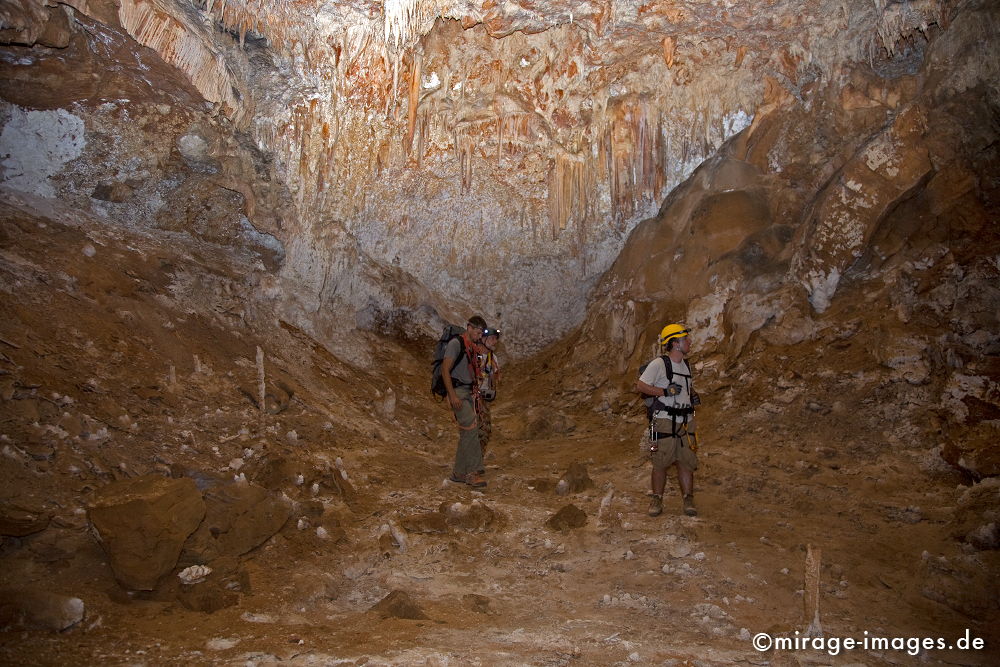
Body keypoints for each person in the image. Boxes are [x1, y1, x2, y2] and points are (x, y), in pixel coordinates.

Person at [635, 323, 700, 517]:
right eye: (685, 339)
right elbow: (641, 385)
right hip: (664, 420)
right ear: (675, 343)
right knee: (660, 462)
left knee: (686, 462)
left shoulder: (686, 366)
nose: (689, 342)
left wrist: (692, 395)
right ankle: (656, 499)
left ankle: (688, 499)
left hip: (686, 422)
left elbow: (684, 388)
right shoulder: (659, 364)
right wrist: (664, 391)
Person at [442, 316, 488, 488]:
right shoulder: (456, 344)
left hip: (468, 392)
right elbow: (445, 370)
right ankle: (474, 472)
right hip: (458, 391)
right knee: (471, 426)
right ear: (469, 327)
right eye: (477, 332)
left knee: (467, 431)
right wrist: (452, 395)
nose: (478, 336)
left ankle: (459, 473)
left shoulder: (472, 347)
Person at [476, 328, 501, 467]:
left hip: (484, 397)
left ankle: (477, 460)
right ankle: (471, 462)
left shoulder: (493, 358)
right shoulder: (473, 354)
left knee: (485, 430)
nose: (494, 341)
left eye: (496, 339)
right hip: (471, 396)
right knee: (474, 430)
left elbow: (493, 381)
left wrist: (492, 382)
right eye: (491, 338)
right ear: (483, 339)